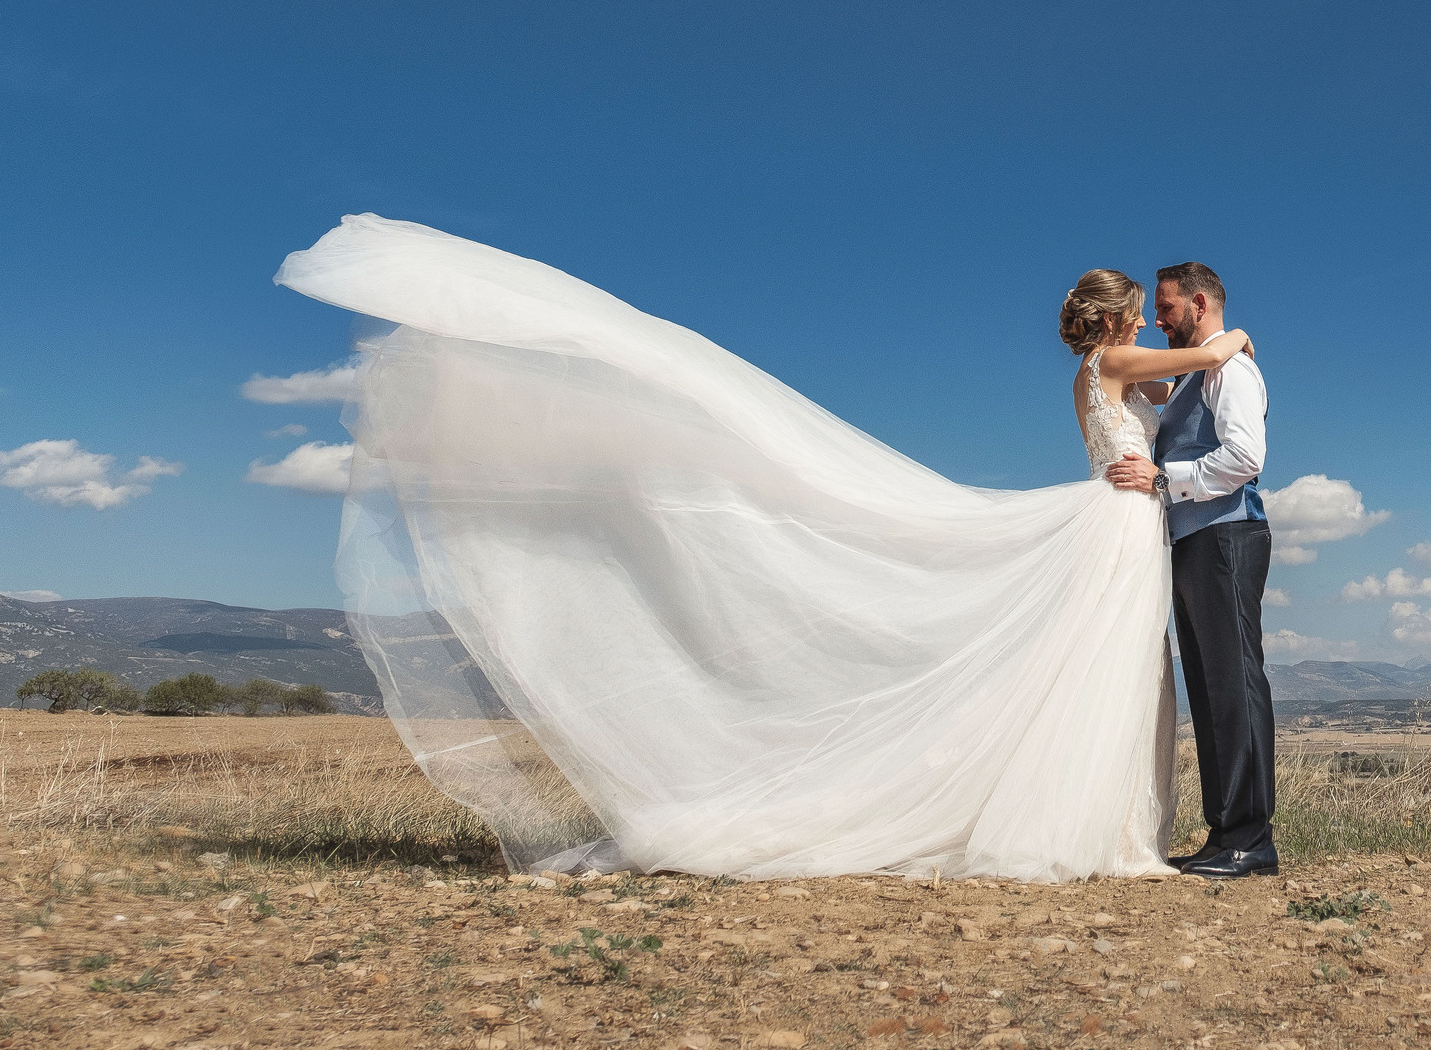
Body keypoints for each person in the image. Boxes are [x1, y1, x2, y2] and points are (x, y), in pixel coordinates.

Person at [275, 215, 1252, 880]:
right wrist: (1226, 334)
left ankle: (1107, 821)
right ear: (1124, 316)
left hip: (1128, 516)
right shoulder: (1114, 358)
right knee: (1108, 668)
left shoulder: (1109, 368)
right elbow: (1202, 362)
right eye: (1146, 307)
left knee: (1110, 667)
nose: (1153, 319)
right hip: (1120, 520)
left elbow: (1169, 401)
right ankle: (1097, 825)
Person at [1104, 262, 1277, 878]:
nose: (1158, 319)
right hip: (1195, 539)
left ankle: (1251, 839)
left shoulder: (1232, 371)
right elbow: (1134, 376)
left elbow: (1244, 458)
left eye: (1169, 309)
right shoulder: (1194, 374)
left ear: (1199, 304)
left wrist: (1164, 479)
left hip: (1227, 536)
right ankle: (1224, 832)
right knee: (1209, 688)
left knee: (1234, 682)